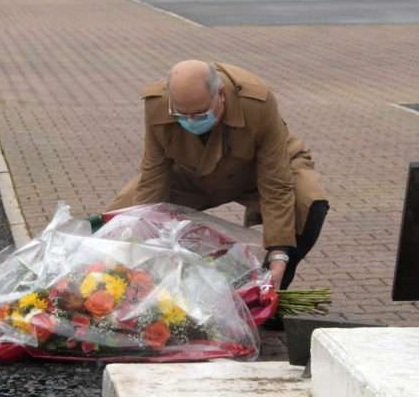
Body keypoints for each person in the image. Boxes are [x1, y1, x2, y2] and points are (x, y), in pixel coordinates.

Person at [107, 60, 329, 312]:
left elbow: (275, 181)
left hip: (255, 172)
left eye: (200, 114)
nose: (190, 121)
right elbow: (153, 176)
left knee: (308, 203)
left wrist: (279, 253)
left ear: (220, 94)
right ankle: (124, 294)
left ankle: (269, 294)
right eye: (182, 115)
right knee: (121, 218)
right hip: (193, 173)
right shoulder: (157, 103)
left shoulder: (257, 102)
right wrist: (142, 239)